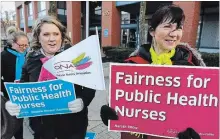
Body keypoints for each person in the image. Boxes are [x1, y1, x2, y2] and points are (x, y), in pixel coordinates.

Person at [100, 4, 204, 139]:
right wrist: (110, 114)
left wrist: (196, 131)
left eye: (178, 28)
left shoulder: (192, 69)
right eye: (167, 27)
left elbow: (200, 113)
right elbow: (121, 106)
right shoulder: (132, 64)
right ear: (152, 31)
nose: (174, 34)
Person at [5, 16, 96, 139]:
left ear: (61, 36)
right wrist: (13, 104)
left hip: (73, 125)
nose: (52, 39)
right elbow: (23, 91)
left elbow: (90, 85)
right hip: (42, 127)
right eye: (46, 34)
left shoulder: (75, 56)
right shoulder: (31, 60)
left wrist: (82, 101)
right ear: (38, 37)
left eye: (56, 34)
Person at [1, 26, 29, 139]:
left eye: (26, 45)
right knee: (15, 122)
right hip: (10, 95)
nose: (24, 48)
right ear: (13, 43)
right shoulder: (3, 56)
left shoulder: (29, 54)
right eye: (21, 45)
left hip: (28, 93)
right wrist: (5, 88)